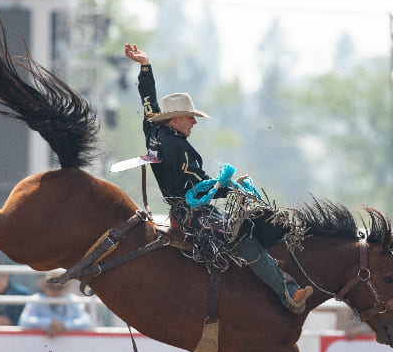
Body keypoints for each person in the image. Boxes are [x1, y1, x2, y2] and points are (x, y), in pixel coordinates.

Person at [124, 43, 313, 313]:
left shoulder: (153, 129)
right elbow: (201, 187)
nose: (194, 123)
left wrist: (145, 65)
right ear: (176, 119)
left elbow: (147, 99)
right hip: (192, 216)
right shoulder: (179, 148)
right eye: (190, 118)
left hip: (182, 209)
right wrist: (232, 188)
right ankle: (288, 294)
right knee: (244, 239)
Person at [18, 272, 93, 337]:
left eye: (60, 287)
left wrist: (64, 325)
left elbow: (87, 322)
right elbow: (24, 321)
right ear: (44, 287)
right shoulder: (36, 299)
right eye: (51, 287)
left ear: (65, 288)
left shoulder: (73, 300)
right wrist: (49, 323)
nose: (55, 291)